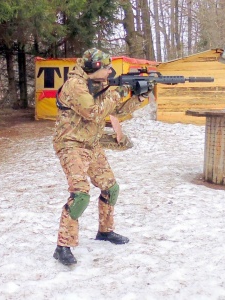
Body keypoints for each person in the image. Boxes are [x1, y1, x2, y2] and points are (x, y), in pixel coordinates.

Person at [53, 48, 130, 266]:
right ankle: (63, 247)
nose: (110, 71)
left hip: (91, 143)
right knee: (80, 195)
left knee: (110, 188)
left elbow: (117, 111)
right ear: (95, 68)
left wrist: (137, 96)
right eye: (107, 68)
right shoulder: (75, 86)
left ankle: (105, 232)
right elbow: (94, 112)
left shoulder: (96, 84)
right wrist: (118, 93)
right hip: (72, 145)